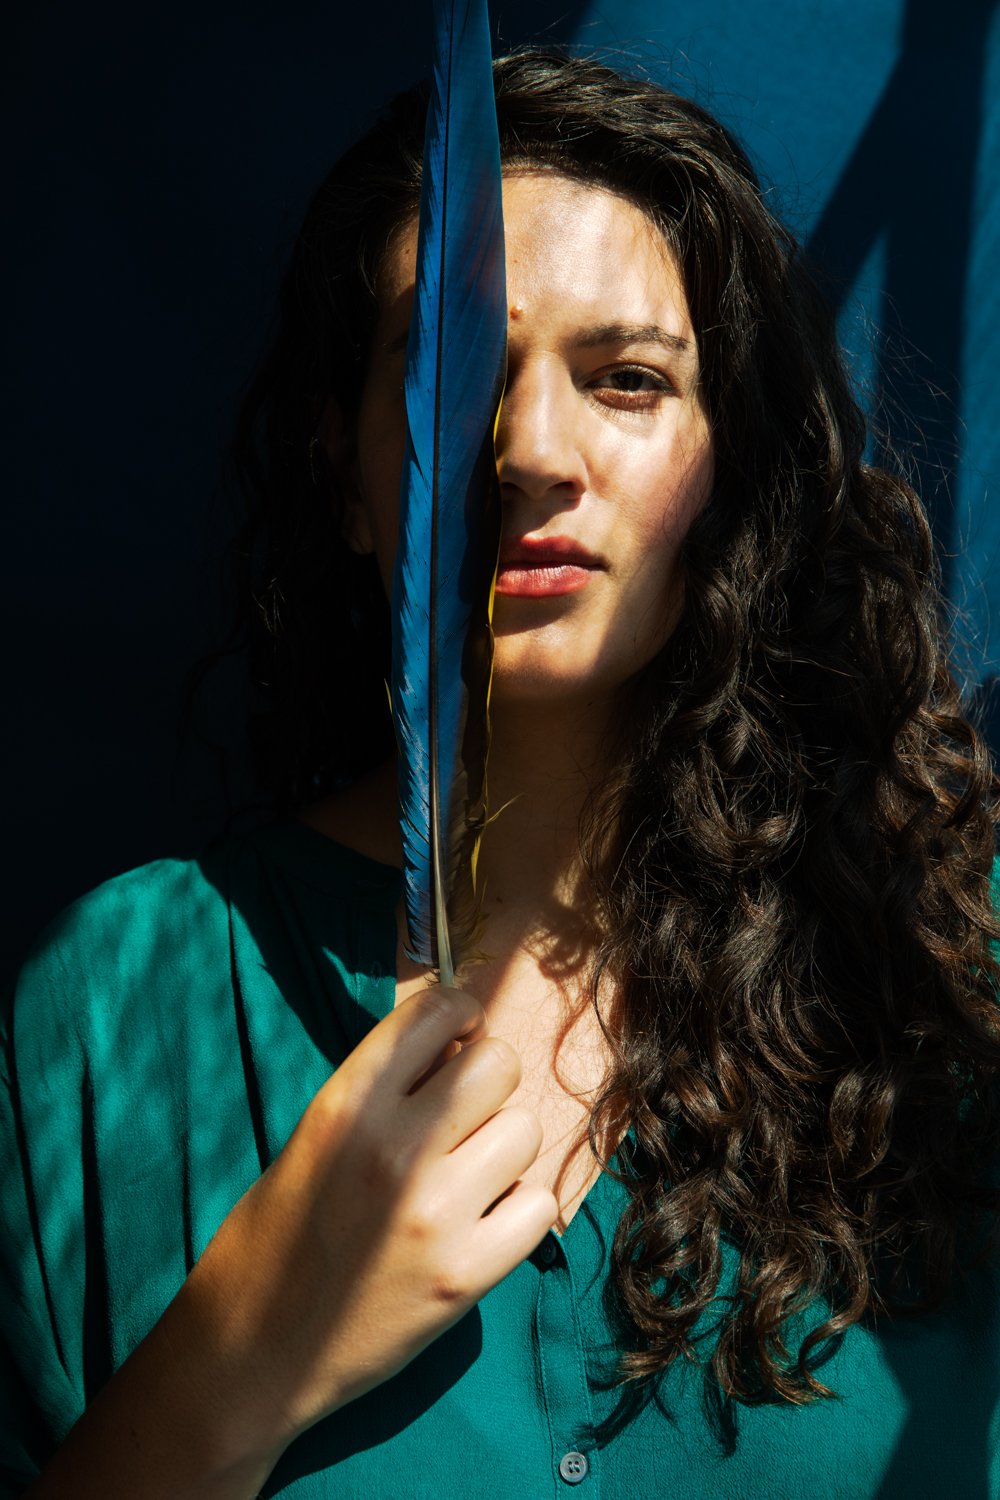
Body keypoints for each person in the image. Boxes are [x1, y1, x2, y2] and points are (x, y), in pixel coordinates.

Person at [3, 48, 1000, 1500]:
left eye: (627, 380)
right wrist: (244, 1354)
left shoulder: (942, 972)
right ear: (345, 472)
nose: (531, 447)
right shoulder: (121, 1007)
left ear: (733, 481)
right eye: (455, 365)